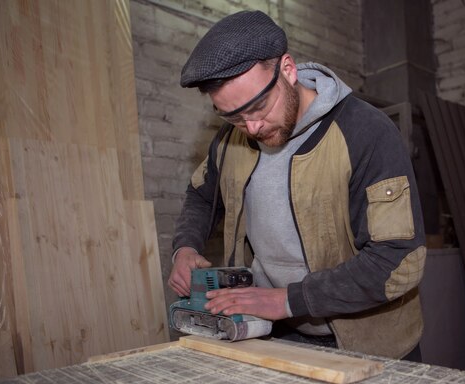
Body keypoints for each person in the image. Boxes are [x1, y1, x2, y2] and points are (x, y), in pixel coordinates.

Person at [168, 10, 426, 360]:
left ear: (287, 70)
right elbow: (201, 195)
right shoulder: (230, 141)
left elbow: (398, 260)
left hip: (370, 344)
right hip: (276, 334)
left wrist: (287, 299)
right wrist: (185, 247)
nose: (252, 127)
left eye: (258, 106)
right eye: (233, 116)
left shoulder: (366, 133)